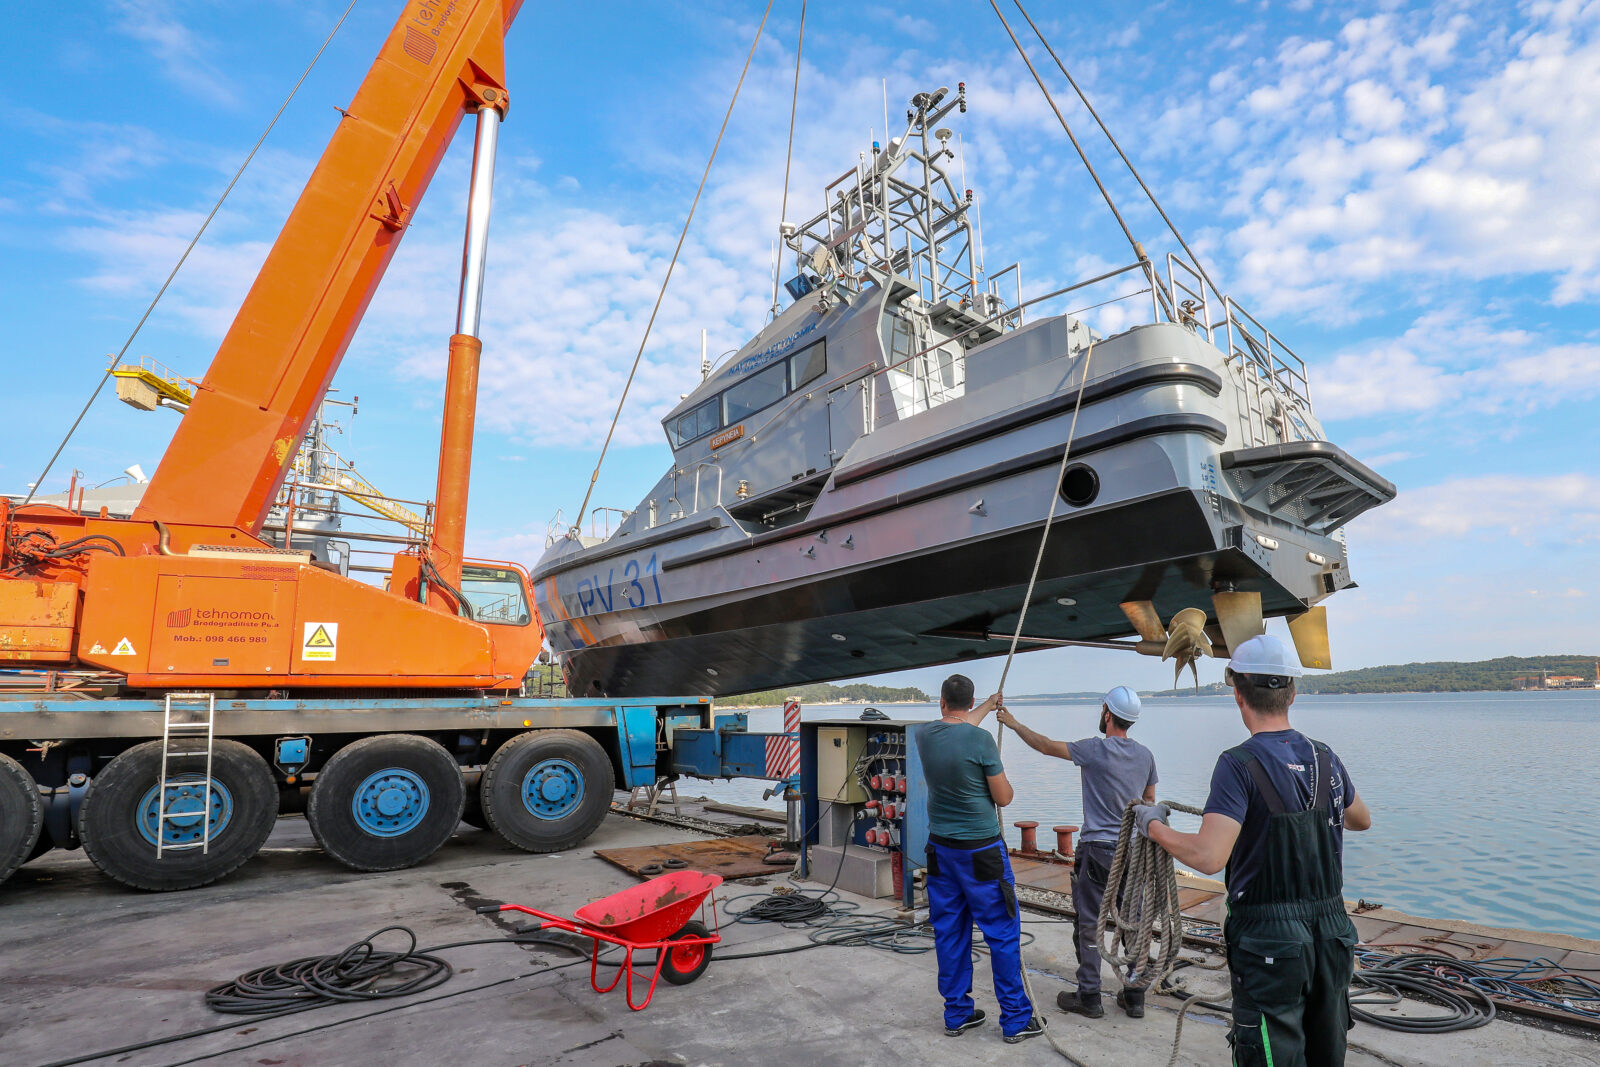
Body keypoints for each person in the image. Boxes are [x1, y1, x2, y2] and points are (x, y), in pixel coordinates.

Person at [1139, 634, 1372, 1067]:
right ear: (1293, 693)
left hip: (1270, 942)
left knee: (1270, 1055)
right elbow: (1361, 819)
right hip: (1333, 934)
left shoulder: (1238, 764)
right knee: (1327, 1051)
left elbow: (1209, 857)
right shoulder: (1325, 758)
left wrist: (1153, 827)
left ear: (1237, 693)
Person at [996, 685, 1158, 1020]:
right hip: (1133, 852)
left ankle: (1089, 998)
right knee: (1133, 923)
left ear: (1107, 714)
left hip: (1098, 851)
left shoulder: (1093, 750)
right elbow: (1149, 805)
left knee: (1090, 924)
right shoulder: (1146, 756)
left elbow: (1044, 746)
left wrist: (1012, 723)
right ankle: (1135, 996)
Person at [917, 673, 1046, 1044]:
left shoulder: (925, 735)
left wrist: (989, 705)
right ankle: (1016, 1020)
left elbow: (958, 724)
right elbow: (1004, 798)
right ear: (970, 705)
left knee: (950, 932)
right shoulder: (982, 740)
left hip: (940, 851)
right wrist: (985, 711)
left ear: (941, 703)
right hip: (982, 853)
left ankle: (956, 1014)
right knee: (1002, 934)